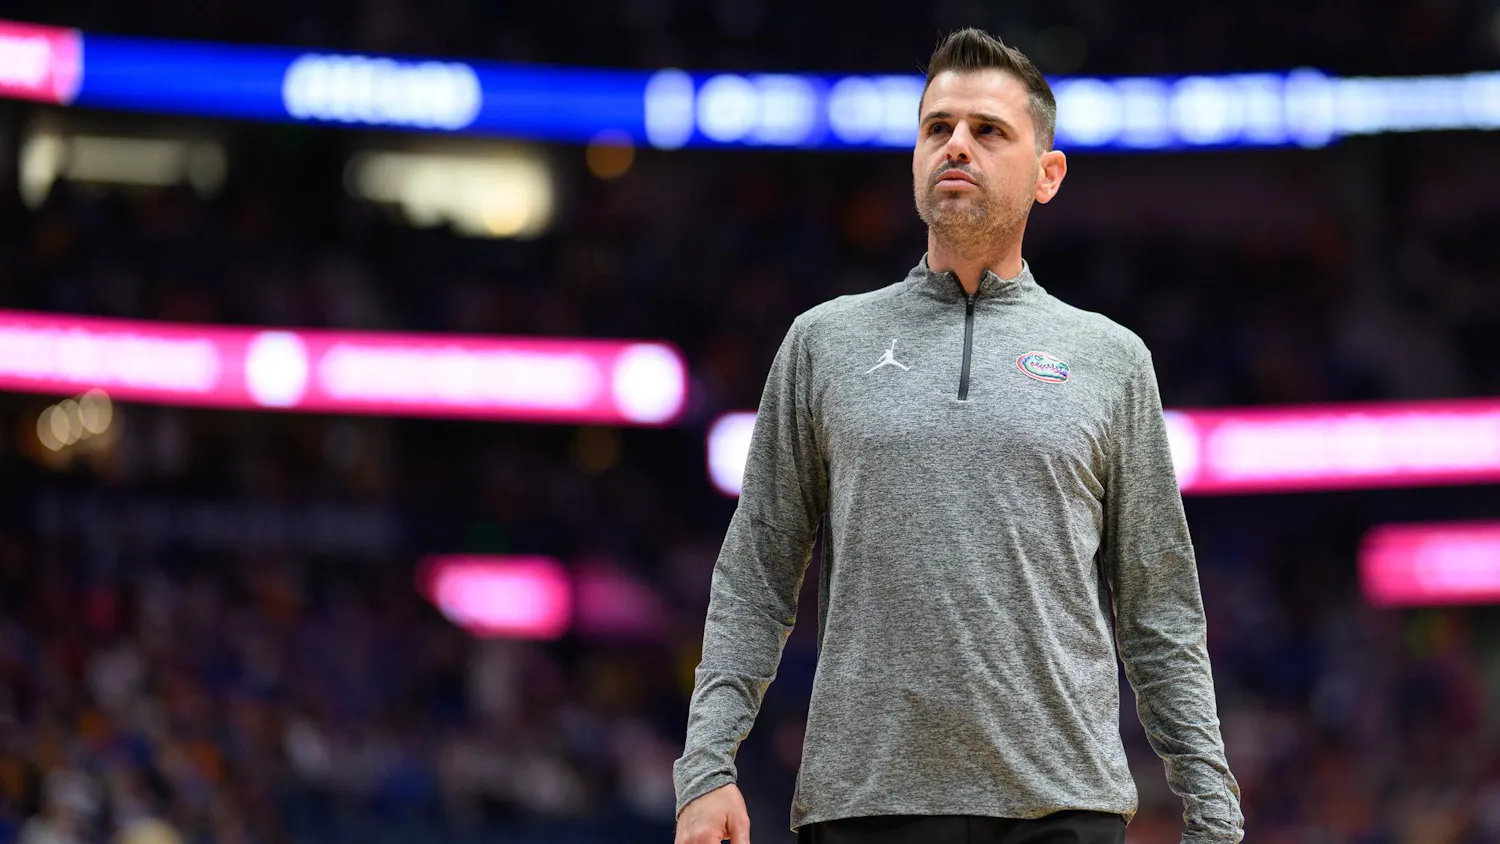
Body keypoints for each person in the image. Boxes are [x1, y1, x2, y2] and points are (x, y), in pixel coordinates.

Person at [673, 27, 1244, 844]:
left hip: (1064, 807)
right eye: (937, 127)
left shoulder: (1113, 361)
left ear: (1048, 175)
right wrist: (707, 769)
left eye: (988, 130)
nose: (956, 147)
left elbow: (1160, 610)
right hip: (865, 804)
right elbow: (755, 574)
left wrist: (1214, 819)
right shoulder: (822, 343)